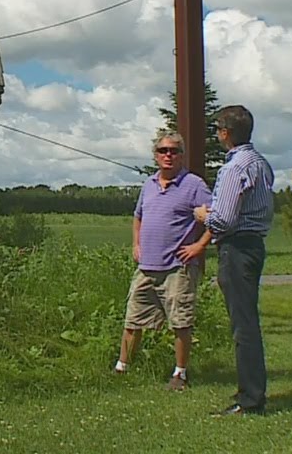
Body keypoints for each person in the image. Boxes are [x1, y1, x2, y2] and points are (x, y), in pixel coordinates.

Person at [112, 130, 212, 391]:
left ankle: (180, 374)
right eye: (163, 151)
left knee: (180, 322)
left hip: (177, 268)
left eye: (174, 151)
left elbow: (215, 218)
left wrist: (199, 247)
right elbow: (138, 216)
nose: (168, 155)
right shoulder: (149, 184)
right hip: (147, 266)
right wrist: (136, 244)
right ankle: (122, 368)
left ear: (182, 155)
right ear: (155, 156)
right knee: (133, 320)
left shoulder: (194, 185)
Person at [194, 105, 274, 416]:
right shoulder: (260, 164)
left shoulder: (234, 168)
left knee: (243, 327)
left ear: (226, 134)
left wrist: (204, 215)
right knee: (247, 322)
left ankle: (250, 399)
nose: (216, 135)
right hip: (253, 246)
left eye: (217, 130)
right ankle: (252, 393)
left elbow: (224, 220)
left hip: (237, 249)